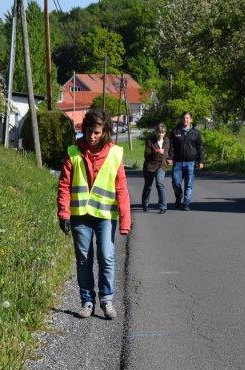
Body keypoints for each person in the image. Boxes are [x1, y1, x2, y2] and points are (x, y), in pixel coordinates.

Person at [57, 109, 131, 319]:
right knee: (84, 259)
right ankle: (87, 301)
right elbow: (64, 185)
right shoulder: (73, 152)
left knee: (106, 257)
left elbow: (122, 189)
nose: (92, 136)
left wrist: (126, 221)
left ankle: (106, 300)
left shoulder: (115, 153)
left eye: (97, 132)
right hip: (80, 215)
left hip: (106, 216)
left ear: (105, 132)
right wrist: (63, 214)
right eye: (89, 131)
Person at [168, 111, 204, 211]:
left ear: (191, 120)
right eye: (184, 118)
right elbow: (171, 147)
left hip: (191, 163)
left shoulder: (195, 132)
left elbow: (200, 147)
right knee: (176, 183)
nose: (185, 120)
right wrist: (170, 158)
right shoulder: (175, 131)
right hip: (178, 162)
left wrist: (200, 161)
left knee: (189, 184)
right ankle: (178, 198)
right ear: (181, 119)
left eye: (187, 118)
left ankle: (186, 203)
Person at [142, 123, 172, 214]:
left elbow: (168, 152)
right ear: (156, 132)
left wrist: (169, 159)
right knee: (148, 186)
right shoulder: (150, 141)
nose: (160, 134)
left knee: (160, 183)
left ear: (165, 133)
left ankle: (163, 206)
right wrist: (156, 151)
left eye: (162, 133)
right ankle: (145, 204)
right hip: (150, 166)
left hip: (161, 166)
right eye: (159, 132)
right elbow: (146, 155)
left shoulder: (167, 140)